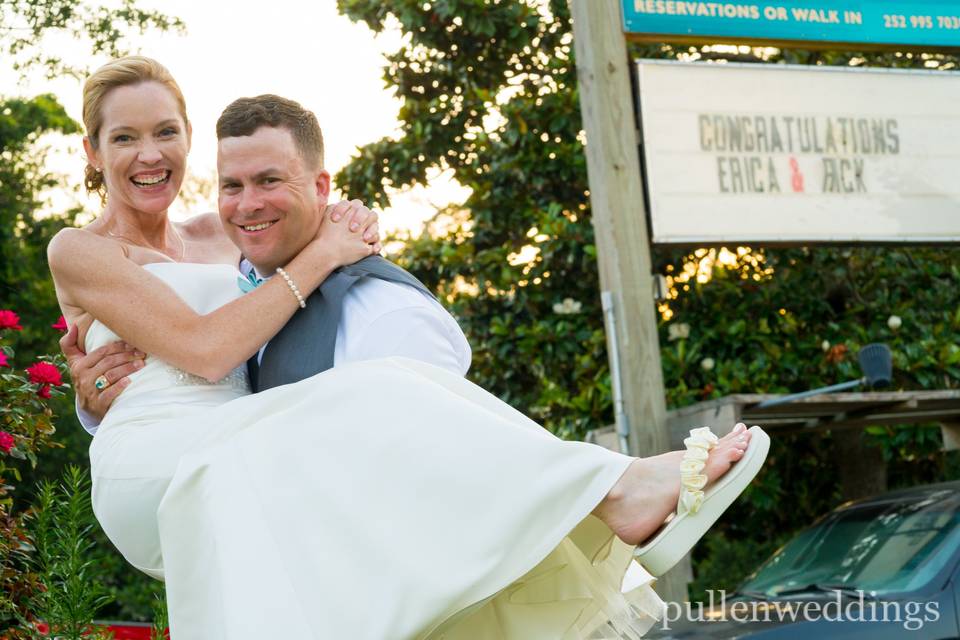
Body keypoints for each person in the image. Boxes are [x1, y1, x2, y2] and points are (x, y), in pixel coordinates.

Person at [48, 56, 769, 639]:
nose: (150, 154)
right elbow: (204, 352)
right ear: (92, 151)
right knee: (369, 394)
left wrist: (341, 226)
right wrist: (323, 253)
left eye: (166, 132)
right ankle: (615, 486)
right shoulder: (80, 249)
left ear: (185, 137)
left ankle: (607, 496)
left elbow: (288, 222)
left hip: (238, 432)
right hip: (159, 461)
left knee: (381, 404)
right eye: (124, 138)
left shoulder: (222, 230)